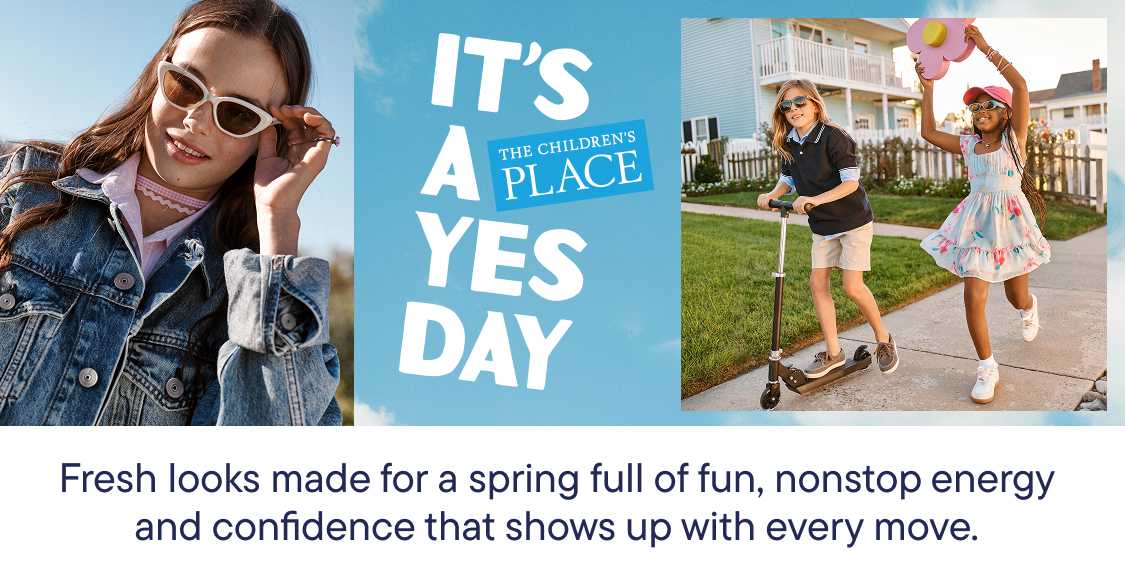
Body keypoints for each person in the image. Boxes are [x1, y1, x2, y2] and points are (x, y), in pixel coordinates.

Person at [0, 0, 342, 425]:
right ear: (158, 76)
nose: (196, 121)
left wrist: (278, 219)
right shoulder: (21, 188)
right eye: (185, 85)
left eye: (236, 114)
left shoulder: (243, 297)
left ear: (269, 135)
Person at [916, 24, 1051, 404]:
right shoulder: (968, 146)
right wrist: (928, 89)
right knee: (973, 294)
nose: (980, 111)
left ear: (1006, 113)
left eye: (989, 105)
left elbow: (1021, 85)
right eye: (975, 107)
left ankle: (1029, 308)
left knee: (1015, 295)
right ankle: (987, 366)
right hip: (976, 227)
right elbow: (928, 132)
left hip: (1011, 227)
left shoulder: (1014, 141)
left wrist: (986, 47)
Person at [756, 79, 899, 379]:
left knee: (852, 286)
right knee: (817, 283)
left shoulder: (834, 136)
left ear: (814, 104)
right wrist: (772, 194)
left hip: (852, 221)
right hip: (822, 224)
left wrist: (814, 200)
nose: (793, 109)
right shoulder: (789, 142)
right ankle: (834, 353)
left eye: (800, 102)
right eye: (786, 105)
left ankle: (884, 340)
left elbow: (851, 183)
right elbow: (788, 179)